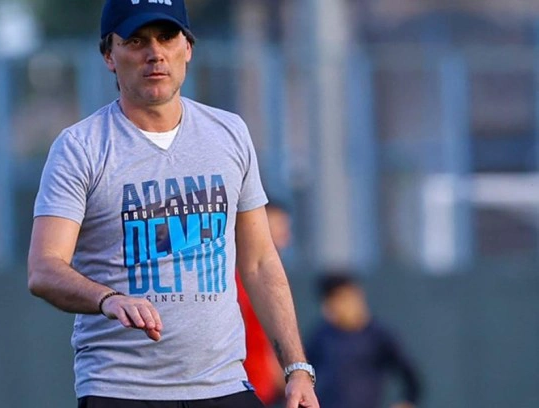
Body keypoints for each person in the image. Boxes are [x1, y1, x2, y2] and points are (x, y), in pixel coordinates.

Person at [27, 1, 319, 407]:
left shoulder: (229, 134)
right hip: (121, 389)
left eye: (166, 37)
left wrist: (297, 369)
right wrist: (108, 299)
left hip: (224, 386)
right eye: (136, 41)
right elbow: (44, 269)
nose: (155, 53)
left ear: (188, 48)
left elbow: (259, 263)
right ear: (109, 55)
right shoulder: (81, 148)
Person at [307, 272, 421, 408]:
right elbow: (302, 374)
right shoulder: (321, 337)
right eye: (331, 301)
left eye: (342, 298)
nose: (337, 306)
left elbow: (411, 378)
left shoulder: (379, 336)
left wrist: (407, 402)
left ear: (357, 296)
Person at [237, 203, 292, 407]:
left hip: (266, 388)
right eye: (276, 225)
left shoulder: (275, 277)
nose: (284, 234)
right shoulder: (239, 277)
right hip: (245, 385)